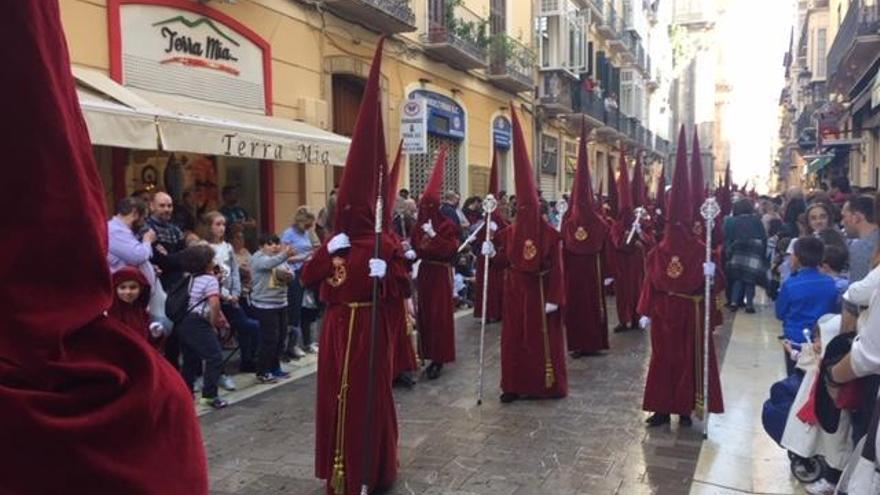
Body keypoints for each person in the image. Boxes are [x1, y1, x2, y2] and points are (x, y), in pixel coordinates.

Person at [301, 39, 405, 495]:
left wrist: (391, 273)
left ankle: (371, 467)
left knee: (366, 397)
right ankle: (339, 470)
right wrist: (327, 251)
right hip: (338, 327)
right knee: (335, 400)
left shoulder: (386, 240)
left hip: (371, 325)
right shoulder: (335, 243)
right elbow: (308, 277)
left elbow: (404, 287)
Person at [638, 126, 724, 428]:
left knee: (688, 359)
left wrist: (712, 272)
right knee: (662, 360)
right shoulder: (659, 250)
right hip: (664, 312)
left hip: (691, 310)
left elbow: (717, 285)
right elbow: (651, 278)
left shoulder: (703, 248)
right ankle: (661, 408)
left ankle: (685, 407)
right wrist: (646, 309)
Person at [486, 106, 567, 404]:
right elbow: (502, 262)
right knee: (514, 340)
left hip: (541, 292)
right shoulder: (510, 231)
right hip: (515, 293)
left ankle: (545, 385)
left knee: (538, 340)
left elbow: (557, 266)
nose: (522, 211)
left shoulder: (548, 232)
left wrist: (555, 298)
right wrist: (489, 251)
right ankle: (514, 384)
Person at [562, 122, 611, 357]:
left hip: (588, 272)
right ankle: (588, 342)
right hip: (586, 272)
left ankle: (586, 343)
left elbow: (569, 243)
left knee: (585, 306)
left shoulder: (571, 220)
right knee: (584, 307)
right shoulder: (596, 221)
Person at [412, 148, 460, 380]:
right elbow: (415, 244)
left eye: (429, 207)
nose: (425, 212)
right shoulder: (418, 223)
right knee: (425, 314)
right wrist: (411, 253)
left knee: (439, 315)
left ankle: (439, 357)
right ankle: (425, 352)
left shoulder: (446, 225)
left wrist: (435, 236)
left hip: (440, 273)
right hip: (425, 272)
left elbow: (451, 249)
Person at [202, 211, 259, 379]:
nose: (221, 228)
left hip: (231, 299)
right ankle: (216, 373)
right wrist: (223, 294)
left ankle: (248, 359)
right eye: (217, 224)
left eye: (223, 225)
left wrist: (235, 292)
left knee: (250, 326)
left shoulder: (227, 247)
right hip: (213, 298)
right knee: (215, 335)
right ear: (209, 226)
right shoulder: (204, 247)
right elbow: (207, 275)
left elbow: (233, 271)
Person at [775, 237, 839, 376]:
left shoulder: (790, 284)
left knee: (794, 378)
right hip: (821, 340)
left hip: (795, 340)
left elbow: (780, 313)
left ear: (796, 258)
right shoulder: (830, 283)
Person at [177, 245, 229, 409]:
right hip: (198, 321)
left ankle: (186, 392)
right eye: (212, 259)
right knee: (214, 357)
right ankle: (209, 395)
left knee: (190, 360)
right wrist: (213, 324)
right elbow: (214, 304)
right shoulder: (209, 280)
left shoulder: (190, 278)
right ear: (206, 262)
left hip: (183, 321)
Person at [608, 151, 650, 332]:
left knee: (636, 290)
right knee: (622, 293)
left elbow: (651, 240)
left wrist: (640, 235)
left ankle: (635, 317)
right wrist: (626, 238)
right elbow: (616, 242)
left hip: (636, 263)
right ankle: (623, 320)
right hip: (622, 263)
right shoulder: (617, 225)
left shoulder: (640, 220)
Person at [147, 191, 187, 367]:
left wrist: (170, 257)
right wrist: (173, 257)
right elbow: (157, 259)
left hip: (176, 286)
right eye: (162, 205)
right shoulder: (146, 229)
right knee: (158, 332)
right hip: (155, 287)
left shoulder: (176, 230)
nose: (166, 209)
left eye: (169, 205)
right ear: (152, 206)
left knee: (176, 334)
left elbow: (183, 257)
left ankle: (174, 373)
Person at [250, 234, 296, 383]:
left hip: (281, 303)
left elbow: (291, 272)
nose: (274, 247)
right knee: (269, 339)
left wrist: (289, 275)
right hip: (265, 305)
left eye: (277, 243)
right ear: (261, 247)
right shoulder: (259, 258)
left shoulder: (280, 259)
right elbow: (268, 264)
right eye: (270, 244)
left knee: (281, 338)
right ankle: (262, 371)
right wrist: (285, 254)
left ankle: (275, 368)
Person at [474, 153, 509, 323]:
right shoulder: (484, 222)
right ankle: (485, 312)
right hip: (484, 260)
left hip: (496, 262)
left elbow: (506, 239)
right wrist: (482, 242)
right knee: (484, 285)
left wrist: (495, 247)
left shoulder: (502, 223)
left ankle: (495, 311)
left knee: (495, 286)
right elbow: (478, 238)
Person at [281, 207, 320, 357]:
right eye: (307, 224)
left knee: (308, 307)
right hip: (294, 272)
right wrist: (303, 257)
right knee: (295, 309)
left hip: (306, 271)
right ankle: (293, 344)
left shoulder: (306, 233)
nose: (309, 227)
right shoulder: (288, 234)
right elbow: (285, 256)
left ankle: (308, 342)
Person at [723, 198, 767, 313]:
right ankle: (749, 305)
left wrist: (728, 253)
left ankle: (733, 302)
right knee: (750, 280)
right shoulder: (756, 220)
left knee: (737, 279)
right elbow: (763, 237)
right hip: (753, 252)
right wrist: (763, 255)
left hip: (737, 252)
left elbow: (727, 238)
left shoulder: (732, 221)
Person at [109, 267, 165, 348]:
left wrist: (155, 335)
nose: (128, 292)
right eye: (122, 287)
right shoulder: (110, 314)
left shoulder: (141, 312)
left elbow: (148, 341)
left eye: (133, 287)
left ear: (141, 289)